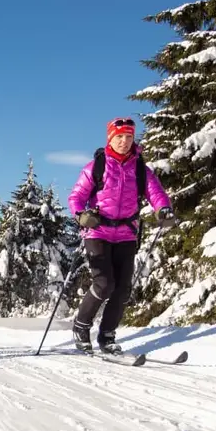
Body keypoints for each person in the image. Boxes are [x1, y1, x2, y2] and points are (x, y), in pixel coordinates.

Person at [67, 117, 177, 354]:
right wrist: (80, 215)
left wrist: (163, 208)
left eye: (129, 137)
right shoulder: (96, 167)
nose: (125, 142)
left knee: (123, 289)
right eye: (119, 137)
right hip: (97, 231)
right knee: (104, 283)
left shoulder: (140, 169)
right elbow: (76, 197)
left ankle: (107, 335)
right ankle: (81, 325)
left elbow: (156, 193)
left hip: (126, 234)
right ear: (110, 139)